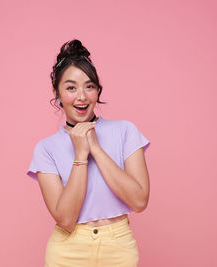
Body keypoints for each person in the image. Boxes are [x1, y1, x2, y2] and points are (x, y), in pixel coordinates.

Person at [27, 39, 151, 267]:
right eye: (71, 87)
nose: (81, 96)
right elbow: (65, 219)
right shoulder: (45, 148)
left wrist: (95, 147)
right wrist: (80, 155)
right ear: (58, 93)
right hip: (67, 250)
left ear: (98, 91)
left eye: (89, 86)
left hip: (118, 247)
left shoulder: (125, 131)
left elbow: (139, 201)